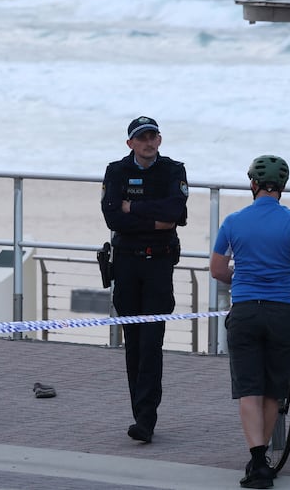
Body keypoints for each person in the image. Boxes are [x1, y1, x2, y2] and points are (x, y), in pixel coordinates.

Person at [210, 155, 290, 489]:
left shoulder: (233, 221)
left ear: (252, 184)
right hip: (281, 311)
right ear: (282, 188)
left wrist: (239, 279)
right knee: (273, 389)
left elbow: (216, 269)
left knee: (248, 389)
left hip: (244, 312)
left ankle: (257, 461)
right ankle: (264, 460)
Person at [101, 115, 188, 444]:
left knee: (152, 342)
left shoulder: (173, 170)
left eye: (153, 136)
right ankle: (140, 412)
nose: (149, 142)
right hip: (125, 264)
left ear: (159, 140)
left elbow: (175, 213)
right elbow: (112, 217)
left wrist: (133, 209)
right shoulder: (116, 170)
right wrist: (153, 218)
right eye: (142, 138)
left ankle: (146, 419)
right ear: (130, 144)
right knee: (134, 343)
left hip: (159, 264)